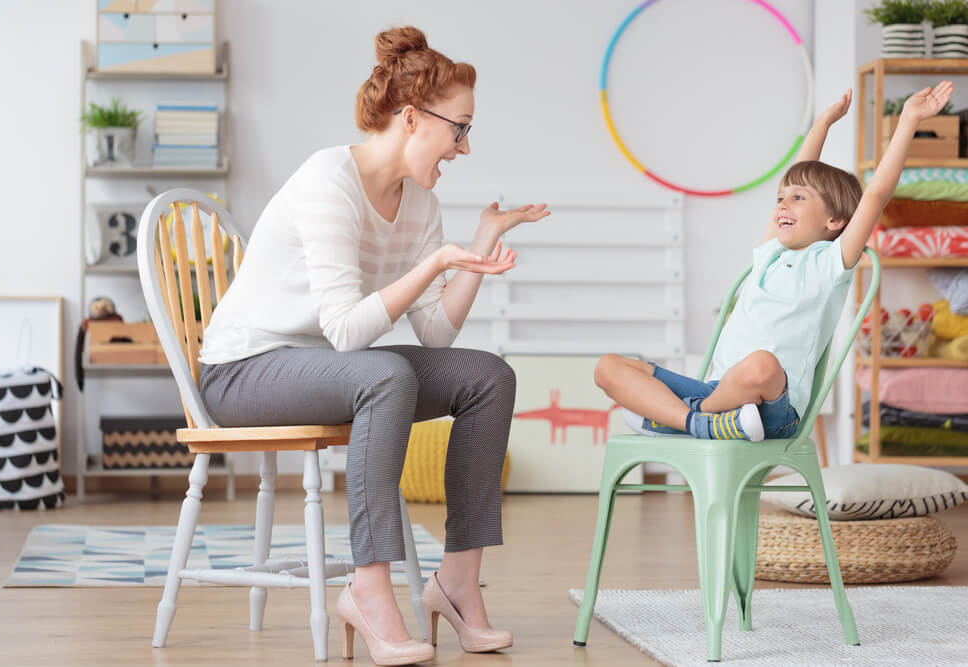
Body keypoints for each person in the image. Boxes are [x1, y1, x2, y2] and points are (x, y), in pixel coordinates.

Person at [197, 26, 549, 666]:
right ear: (413, 119)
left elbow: (436, 333)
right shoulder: (328, 180)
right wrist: (434, 262)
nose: (464, 147)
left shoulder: (421, 205)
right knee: (383, 373)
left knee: (488, 375)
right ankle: (369, 587)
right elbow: (346, 332)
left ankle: (457, 584)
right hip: (244, 370)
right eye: (459, 129)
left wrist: (474, 246)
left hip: (330, 368)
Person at [595, 81, 954, 443]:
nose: (782, 203)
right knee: (608, 367)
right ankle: (699, 423)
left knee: (760, 363)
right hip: (716, 392)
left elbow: (876, 195)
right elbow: (796, 174)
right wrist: (822, 124)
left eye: (798, 198)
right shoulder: (771, 252)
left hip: (772, 406)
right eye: (781, 197)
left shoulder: (830, 263)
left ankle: (681, 419)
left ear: (835, 221)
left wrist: (909, 119)